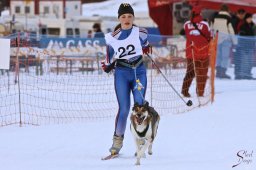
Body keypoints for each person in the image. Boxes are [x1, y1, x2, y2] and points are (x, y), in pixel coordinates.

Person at [101, 3, 151, 156]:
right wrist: (107, 66)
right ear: (119, 18)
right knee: (123, 109)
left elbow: (146, 45)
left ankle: (141, 139)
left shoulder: (141, 32)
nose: (127, 19)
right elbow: (109, 58)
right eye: (123, 16)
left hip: (139, 72)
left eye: (129, 16)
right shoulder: (112, 37)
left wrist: (146, 49)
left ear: (133, 17)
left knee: (139, 105)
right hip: (122, 73)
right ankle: (117, 141)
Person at [181, 6, 211, 97]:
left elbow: (186, 33)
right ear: (200, 14)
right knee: (202, 73)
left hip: (191, 53)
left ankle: (184, 91)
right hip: (203, 53)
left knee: (190, 72)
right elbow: (209, 37)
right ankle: (200, 92)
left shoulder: (186, 24)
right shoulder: (205, 24)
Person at [212, 4, 235, 79]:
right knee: (225, 57)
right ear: (227, 10)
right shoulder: (228, 18)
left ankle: (218, 72)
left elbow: (211, 28)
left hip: (217, 39)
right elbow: (231, 30)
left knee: (218, 56)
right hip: (226, 39)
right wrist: (235, 41)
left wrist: (212, 38)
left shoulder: (214, 17)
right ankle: (223, 72)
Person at [235, 13, 255, 80]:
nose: (250, 19)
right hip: (244, 46)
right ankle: (243, 74)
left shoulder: (252, 25)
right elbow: (241, 36)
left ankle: (248, 74)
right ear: (246, 19)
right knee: (244, 61)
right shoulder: (243, 26)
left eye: (251, 18)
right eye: (249, 18)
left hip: (251, 46)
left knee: (250, 61)